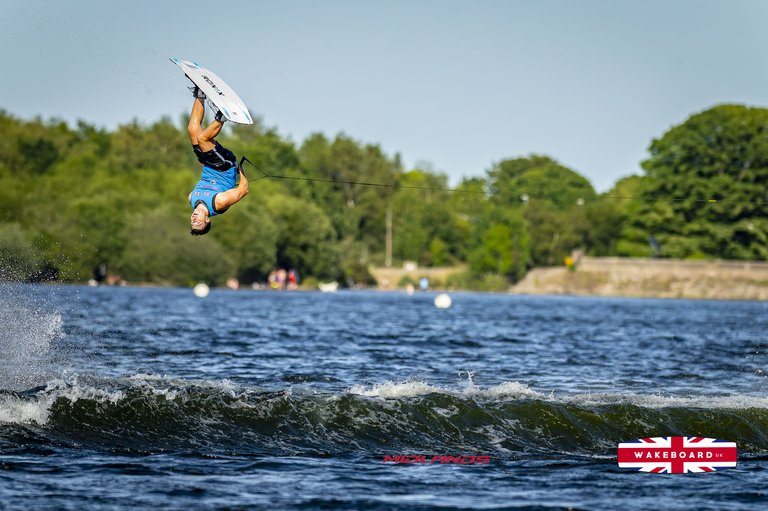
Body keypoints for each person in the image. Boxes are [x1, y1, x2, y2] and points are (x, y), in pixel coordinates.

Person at [187, 87, 249, 235]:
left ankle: (200, 95)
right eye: (199, 223)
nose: (194, 220)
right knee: (203, 139)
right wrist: (241, 170)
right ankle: (222, 116)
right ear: (207, 220)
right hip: (224, 166)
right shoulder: (219, 203)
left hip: (208, 163)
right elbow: (243, 190)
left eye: (192, 222)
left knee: (193, 131)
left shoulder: (191, 198)